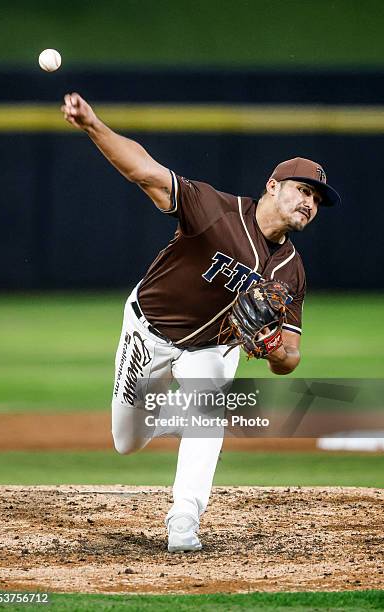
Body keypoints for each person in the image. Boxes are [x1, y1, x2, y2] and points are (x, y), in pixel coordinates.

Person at [61, 93, 341, 552]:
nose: (310, 203)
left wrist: (272, 348)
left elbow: (290, 357)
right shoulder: (214, 208)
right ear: (273, 186)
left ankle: (184, 521)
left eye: (316, 200)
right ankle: (175, 411)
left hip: (213, 348)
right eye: (303, 190)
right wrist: (93, 124)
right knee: (126, 441)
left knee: (209, 410)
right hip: (148, 330)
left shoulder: (292, 270)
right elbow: (144, 170)